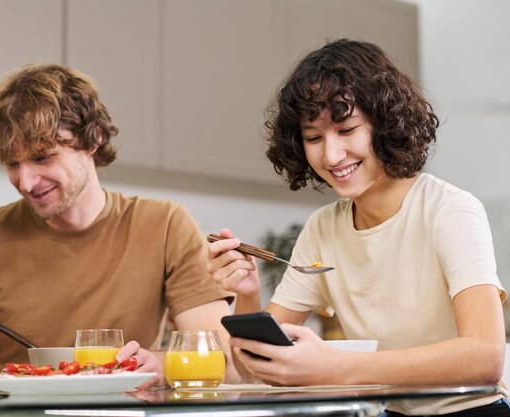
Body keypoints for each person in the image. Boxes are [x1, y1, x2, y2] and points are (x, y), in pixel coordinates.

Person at [207, 39, 510, 416]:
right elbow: (253, 371)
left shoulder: (449, 210)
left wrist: (334, 366)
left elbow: (485, 357)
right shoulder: (323, 228)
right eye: (314, 137)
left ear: (385, 124)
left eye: (347, 130)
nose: (331, 155)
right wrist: (248, 296)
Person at [0, 64, 238, 387]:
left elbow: (220, 359)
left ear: (92, 140)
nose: (25, 182)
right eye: (12, 163)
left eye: (42, 157)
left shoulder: (164, 226)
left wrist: (161, 366)